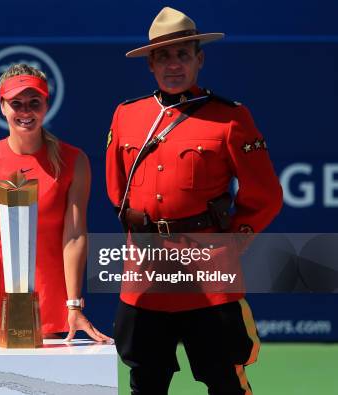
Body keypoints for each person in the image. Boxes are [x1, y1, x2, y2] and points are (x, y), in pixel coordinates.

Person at [105, 7, 283, 395]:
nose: (173, 64)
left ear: (199, 59)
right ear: (150, 63)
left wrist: (232, 243)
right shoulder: (127, 116)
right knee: (145, 382)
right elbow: (118, 191)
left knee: (224, 380)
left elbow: (265, 195)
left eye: (183, 54)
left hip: (209, 269)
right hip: (146, 275)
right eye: (164, 56)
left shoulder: (230, 118)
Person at [0, 63, 110, 343]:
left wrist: (74, 305)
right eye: (16, 104)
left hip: (52, 303)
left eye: (34, 102)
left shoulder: (74, 161)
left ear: (46, 104)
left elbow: (75, 236)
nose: (25, 112)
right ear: (2, 106)